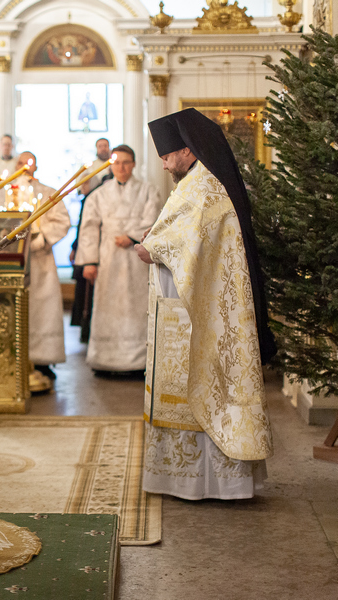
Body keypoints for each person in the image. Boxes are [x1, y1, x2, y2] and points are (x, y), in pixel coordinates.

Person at [136, 108, 275, 500]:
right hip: (211, 309)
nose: (164, 164)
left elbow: (178, 246)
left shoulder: (201, 189)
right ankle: (217, 481)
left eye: (166, 155)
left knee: (200, 383)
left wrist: (149, 248)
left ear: (186, 150)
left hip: (202, 317)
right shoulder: (205, 183)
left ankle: (204, 483)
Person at [74, 145, 162, 376]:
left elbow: (153, 218)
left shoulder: (148, 190)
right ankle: (106, 360)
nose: (121, 167)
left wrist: (132, 235)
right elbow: (89, 228)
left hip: (137, 258)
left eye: (126, 162)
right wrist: (89, 262)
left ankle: (138, 362)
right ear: (110, 166)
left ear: (133, 164)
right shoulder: (98, 194)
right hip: (108, 259)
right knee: (107, 305)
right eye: (117, 163)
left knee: (137, 305)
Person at [13, 152, 71, 391]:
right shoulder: (1, 192)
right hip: (11, 262)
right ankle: (14, 359)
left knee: (42, 310)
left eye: (29, 163)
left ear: (36, 166)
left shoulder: (48, 192)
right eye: (20, 163)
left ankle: (43, 360)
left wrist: (40, 238)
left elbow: (61, 221)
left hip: (41, 262)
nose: (25, 167)